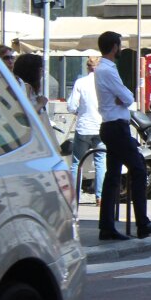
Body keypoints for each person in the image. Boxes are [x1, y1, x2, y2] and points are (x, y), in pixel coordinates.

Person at [95, 31, 151, 241]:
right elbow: (127, 97)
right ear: (114, 47)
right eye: (120, 44)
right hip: (116, 126)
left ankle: (107, 226)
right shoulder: (107, 70)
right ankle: (142, 223)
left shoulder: (102, 69)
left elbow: (123, 98)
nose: (121, 48)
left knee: (113, 176)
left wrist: (122, 98)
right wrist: (122, 98)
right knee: (138, 168)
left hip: (111, 125)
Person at [67, 55, 106, 207]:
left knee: (77, 163)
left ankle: (74, 198)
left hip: (84, 127)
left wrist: (80, 112)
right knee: (101, 162)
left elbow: (71, 106)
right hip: (101, 126)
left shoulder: (80, 82)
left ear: (87, 67)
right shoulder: (104, 82)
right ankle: (100, 197)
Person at [13, 53, 49, 121]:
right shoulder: (25, 87)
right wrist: (41, 104)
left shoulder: (27, 87)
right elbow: (25, 115)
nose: (42, 71)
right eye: (40, 68)